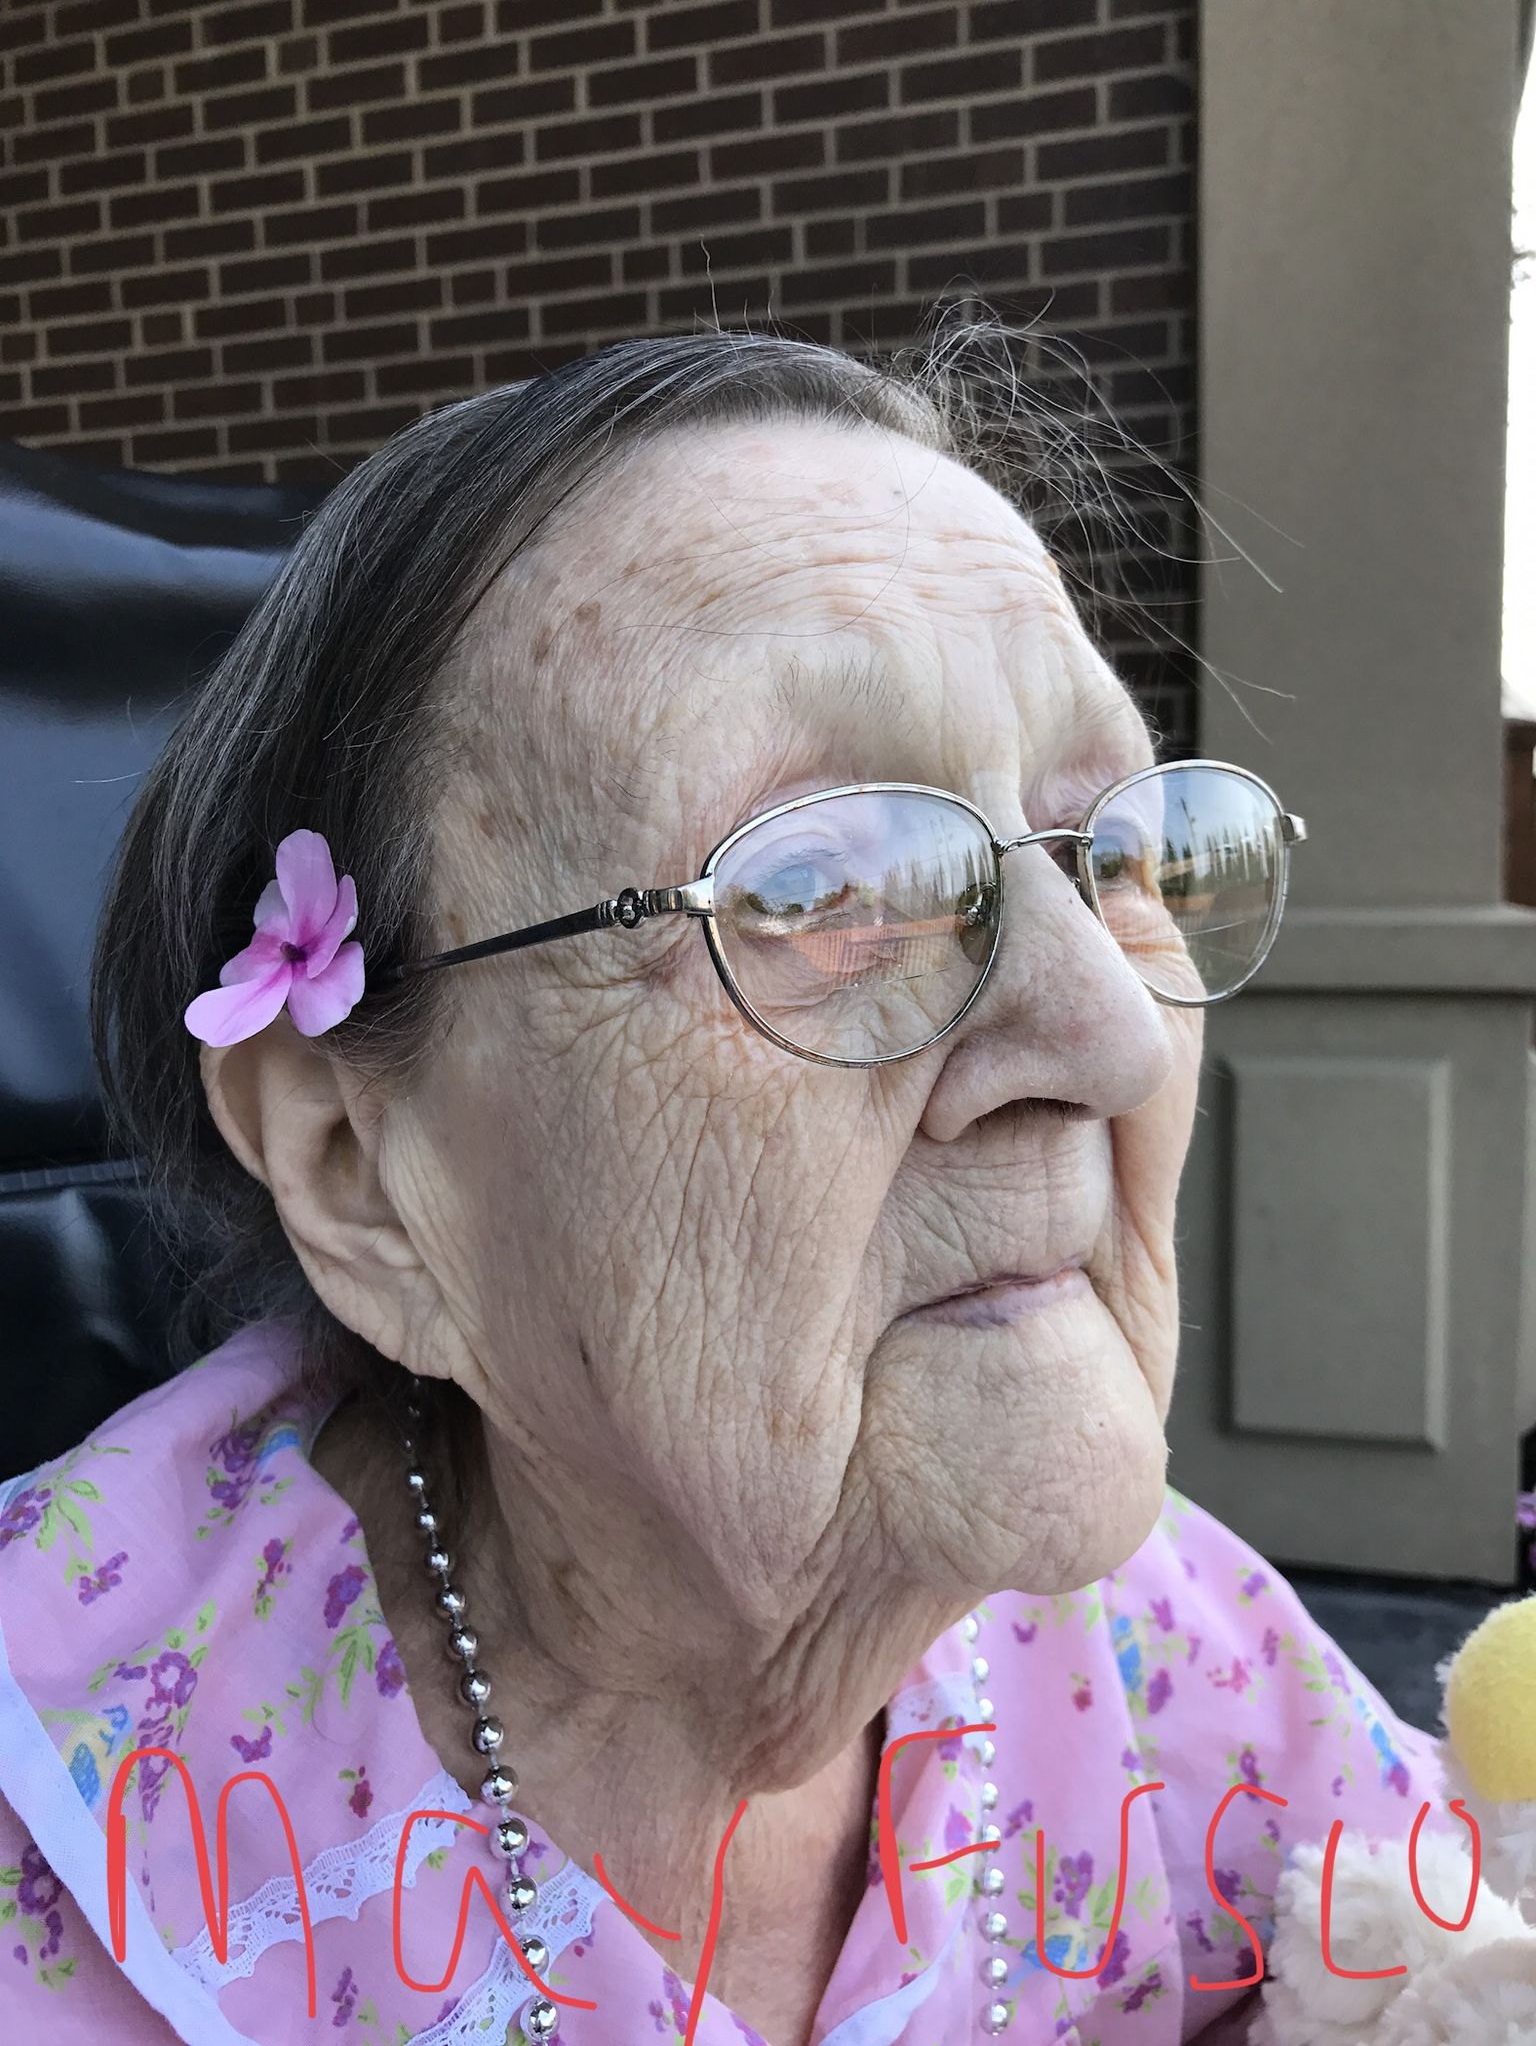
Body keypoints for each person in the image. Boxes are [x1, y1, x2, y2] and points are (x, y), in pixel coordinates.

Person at [0, 323, 1440, 2045]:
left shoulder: (1175, 1654)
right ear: (364, 1172)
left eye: (1113, 851)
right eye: (823, 886)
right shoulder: (58, 1841)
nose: (1115, 1035)